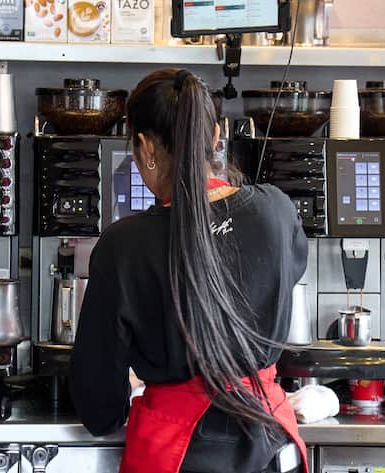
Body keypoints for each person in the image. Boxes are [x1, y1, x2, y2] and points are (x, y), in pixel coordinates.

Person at [69, 68, 309, 473]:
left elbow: (98, 403)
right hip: (269, 448)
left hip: (181, 453)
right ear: (216, 136)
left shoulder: (124, 245)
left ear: (144, 147)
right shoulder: (276, 209)